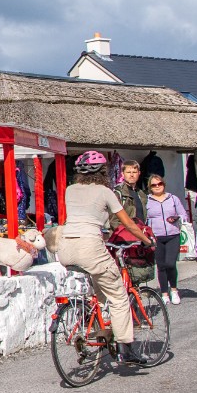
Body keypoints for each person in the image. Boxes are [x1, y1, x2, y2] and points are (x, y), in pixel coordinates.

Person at [53, 151, 153, 374]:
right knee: (118, 295)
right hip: (90, 246)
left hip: (66, 248)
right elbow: (128, 224)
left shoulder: (69, 190)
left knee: (100, 286)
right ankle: (126, 348)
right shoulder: (105, 191)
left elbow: (82, 217)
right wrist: (146, 240)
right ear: (103, 172)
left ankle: (97, 324)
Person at [143, 175, 189, 306]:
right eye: (154, 185)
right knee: (161, 266)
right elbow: (144, 219)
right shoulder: (147, 201)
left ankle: (174, 290)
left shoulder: (173, 199)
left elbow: (183, 215)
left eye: (160, 183)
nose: (157, 186)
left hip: (173, 235)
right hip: (156, 237)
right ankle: (164, 293)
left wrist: (177, 218)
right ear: (150, 187)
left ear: (164, 184)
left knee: (170, 263)